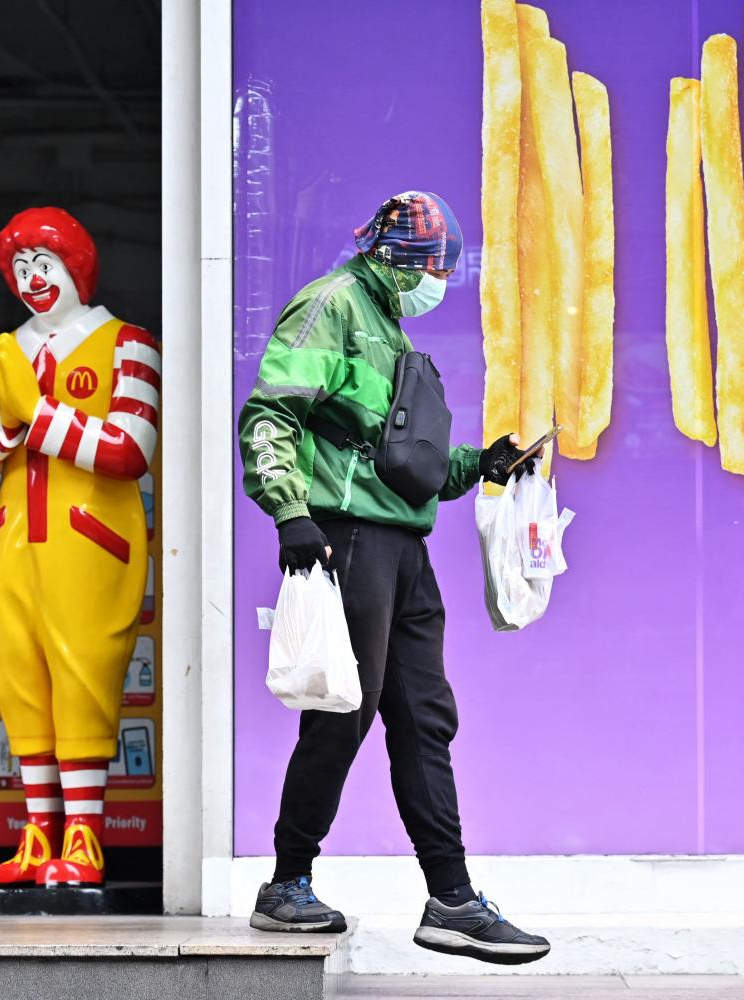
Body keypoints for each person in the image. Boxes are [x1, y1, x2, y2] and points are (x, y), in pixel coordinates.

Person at [236, 191, 551, 965]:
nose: (437, 282)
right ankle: (286, 884)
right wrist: (290, 514)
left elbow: (407, 467)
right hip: (346, 539)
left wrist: (485, 465)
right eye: (431, 268)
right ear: (397, 259)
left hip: (402, 551)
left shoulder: (388, 325)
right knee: (343, 713)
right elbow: (270, 414)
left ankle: (452, 901)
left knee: (424, 720)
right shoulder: (333, 307)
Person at [0, 206, 160, 888]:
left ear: (77, 265)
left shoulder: (129, 344)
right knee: (19, 685)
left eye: (45, 263)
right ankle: (35, 842)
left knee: (82, 681)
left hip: (89, 546)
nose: (33, 279)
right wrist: (12, 419)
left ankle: (86, 844)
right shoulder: (1, 355)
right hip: (12, 544)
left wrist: (33, 416)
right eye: (20, 267)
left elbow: (130, 449)